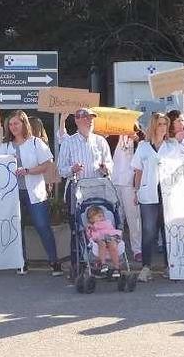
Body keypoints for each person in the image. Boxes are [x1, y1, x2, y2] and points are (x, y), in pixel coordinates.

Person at [0, 110, 62, 276]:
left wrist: (28, 171)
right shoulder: (4, 145)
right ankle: (21, 262)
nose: (13, 127)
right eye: (10, 124)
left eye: (16, 124)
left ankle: (54, 261)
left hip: (34, 191)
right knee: (17, 228)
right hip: (13, 193)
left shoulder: (35, 143)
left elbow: (47, 164)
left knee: (42, 226)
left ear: (23, 124)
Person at [57, 108, 114, 274]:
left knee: (101, 226)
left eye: (91, 118)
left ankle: (100, 260)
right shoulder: (68, 142)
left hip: (98, 191)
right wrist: (72, 169)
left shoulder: (100, 141)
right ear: (77, 120)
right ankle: (78, 263)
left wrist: (106, 168)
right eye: (86, 118)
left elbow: (110, 164)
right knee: (78, 227)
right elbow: (61, 169)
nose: (90, 121)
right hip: (76, 190)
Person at [132, 112, 184, 281]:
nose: (163, 127)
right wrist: (136, 191)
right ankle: (146, 267)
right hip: (148, 194)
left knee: (167, 230)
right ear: (154, 126)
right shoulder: (143, 146)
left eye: (165, 124)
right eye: (161, 124)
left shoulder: (173, 146)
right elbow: (138, 170)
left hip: (168, 193)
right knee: (148, 231)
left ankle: (169, 266)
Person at [111, 129, 143, 262]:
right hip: (114, 181)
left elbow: (146, 145)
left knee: (133, 218)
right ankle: (116, 250)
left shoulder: (139, 138)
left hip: (130, 183)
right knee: (117, 218)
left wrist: (136, 139)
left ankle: (137, 249)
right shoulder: (112, 136)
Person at [85, 205, 123, 277]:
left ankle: (116, 267)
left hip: (110, 237)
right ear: (91, 219)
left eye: (102, 216)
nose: (102, 218)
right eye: (99, 216)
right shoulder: (90, 227)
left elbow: (103, 226)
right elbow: (89, 237)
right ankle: (103, 264)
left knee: (113, 246)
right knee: (101, 243)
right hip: (100, 239)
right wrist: (88, 229)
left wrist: (93, 226)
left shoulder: (106, 222)